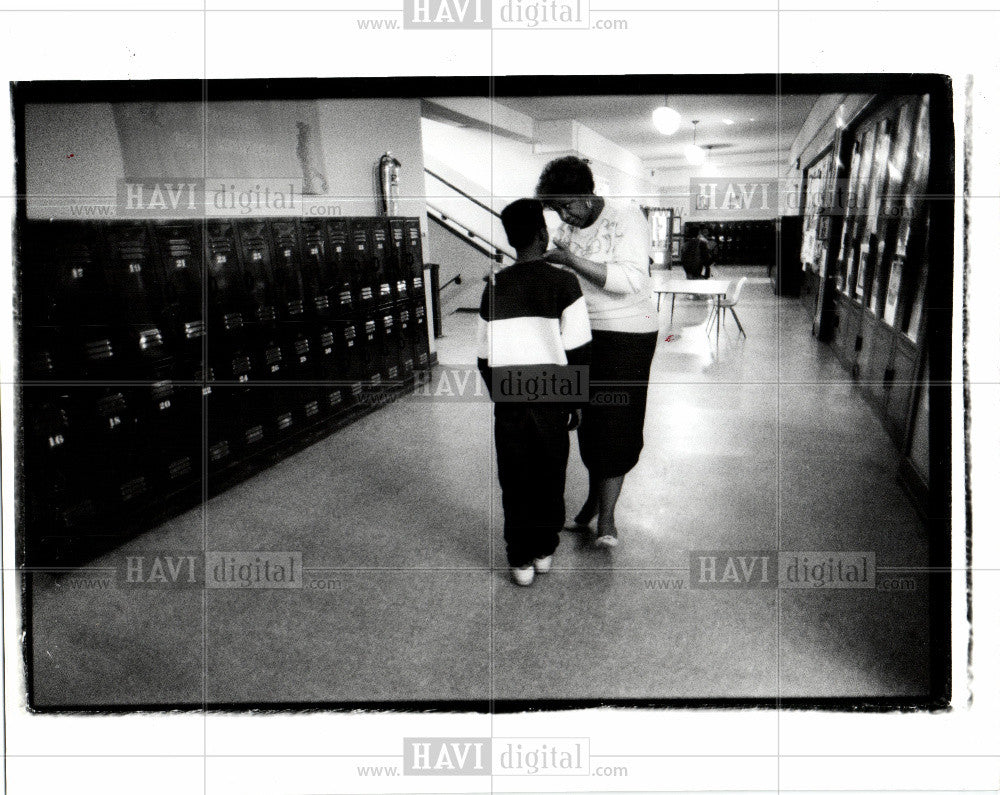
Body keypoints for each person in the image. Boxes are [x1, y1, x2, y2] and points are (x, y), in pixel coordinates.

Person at [536, 156, 659, 548]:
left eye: (566, 206)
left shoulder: (626, 217)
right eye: (555, 209)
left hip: (627, 334)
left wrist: (571, 259)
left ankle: (607, 518)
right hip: (582, 333)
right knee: (587, 421)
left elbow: (630, 279)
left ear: (587, 195)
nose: (562, 216)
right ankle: (592, 501)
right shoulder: (566, 228)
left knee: (615, 423)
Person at [476, 198, 592, 586]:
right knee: (549, 473)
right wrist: (576, 401)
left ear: (510, 240)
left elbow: (482, 357)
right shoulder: (564, 281)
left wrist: (502, 394)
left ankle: (520, 558)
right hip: (552, 398)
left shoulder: (494, 286)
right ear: (543, 235)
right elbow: (578, 350)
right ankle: (544, 549)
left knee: (515, 477)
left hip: (510, 399)